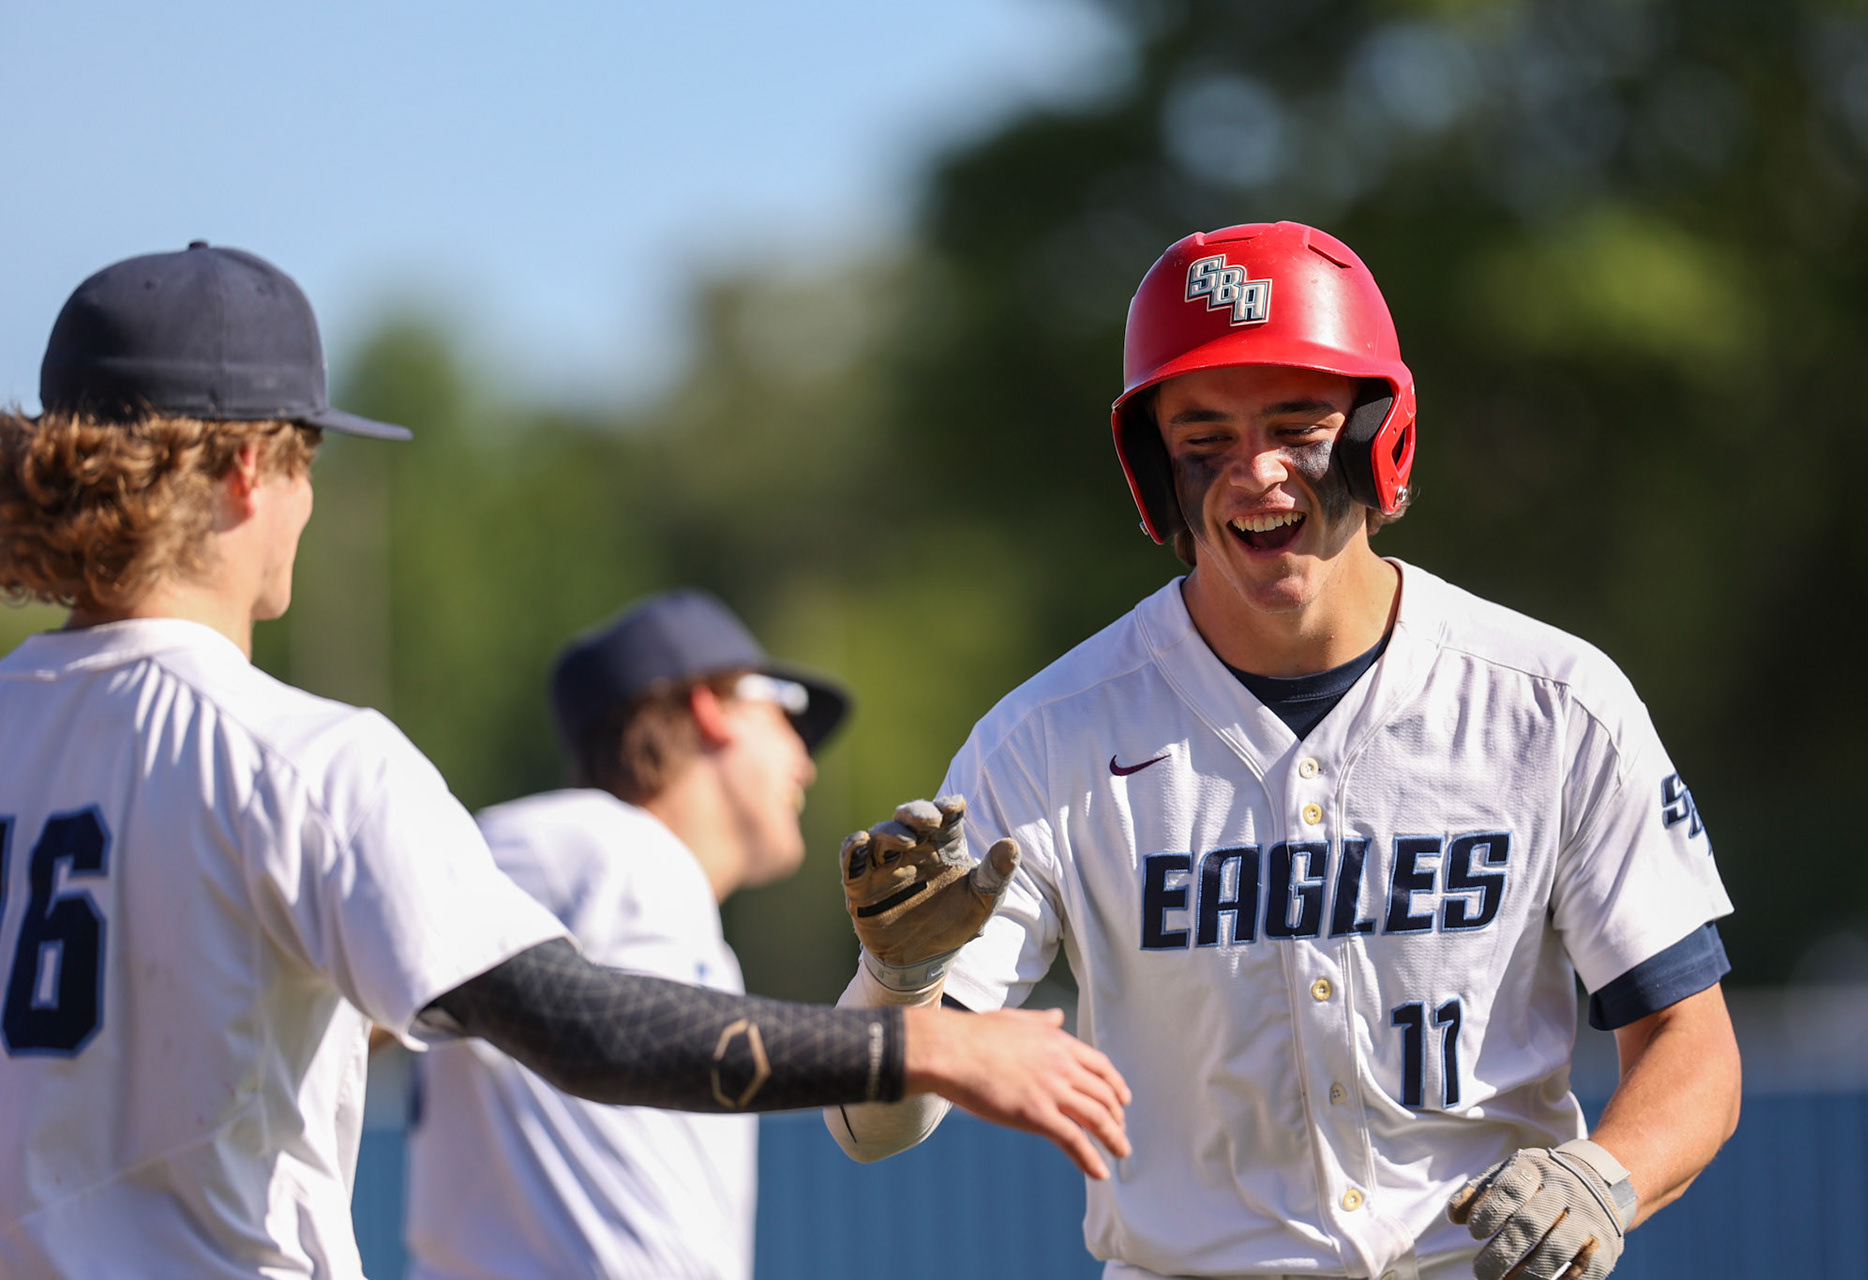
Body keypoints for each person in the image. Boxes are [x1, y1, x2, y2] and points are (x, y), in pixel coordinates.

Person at [0, 244, 1129, 1280]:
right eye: (307, 460)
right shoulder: (303, 761)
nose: (306, 497)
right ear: (250, 468)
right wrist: (914, 1038)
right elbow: (581, 1025)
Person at [825, 221, 1740, 1280]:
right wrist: (899, 981)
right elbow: (869, 1130)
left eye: (1299, 424)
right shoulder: (1048, 739)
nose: (1254, 472)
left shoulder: (1551, 704)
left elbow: (1693, 1048)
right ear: (1156, 471)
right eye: (1203, 438)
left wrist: (1606, 1174)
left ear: (1378, 437)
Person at [406, 590, 854, 1280]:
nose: (806, 759)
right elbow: (389, 901)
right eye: (786, 712)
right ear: (710, 707)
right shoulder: (588, 841)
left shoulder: (646, 885)